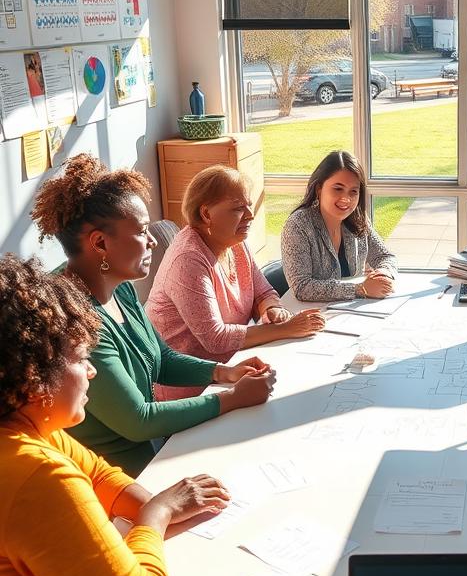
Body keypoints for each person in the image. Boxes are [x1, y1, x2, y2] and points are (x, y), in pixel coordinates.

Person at [0, 255, 230, 576]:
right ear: (33, 377)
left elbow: (101, 475)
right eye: (79, 359)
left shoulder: (29, 425)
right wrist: (156, 517)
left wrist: (154, 504)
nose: (90, 371)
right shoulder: (34, 472)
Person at [31, 155, 275, 477]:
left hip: (156, 452)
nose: (153, 240)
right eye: (142, 231)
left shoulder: (120, 288)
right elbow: (138, 420)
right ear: (100, 243)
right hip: (118, 476)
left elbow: (161, 358)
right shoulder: (74, 318)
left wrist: (223, 373)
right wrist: (231, 399)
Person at [147, 165, 325, 399]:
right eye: (238, 208)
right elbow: (216, 339)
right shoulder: (188, 258)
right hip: (192, 390)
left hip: (231, 371)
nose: (250, 214)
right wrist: (285, 329)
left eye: (249, 204)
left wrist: (271, 309)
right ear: (206, 214)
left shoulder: (234, 241)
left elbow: (263, 292)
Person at [281, 150, 396, 302]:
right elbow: (302, 287)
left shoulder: (358, 218)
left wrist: (383, 274)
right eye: (338, 188)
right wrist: (361, 289)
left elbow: (385, 256)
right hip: (312, 317)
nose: (346, 199)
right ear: (319, 189)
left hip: (352, 312)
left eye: (353, 192)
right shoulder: (298, 225)